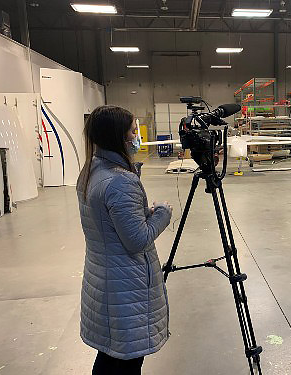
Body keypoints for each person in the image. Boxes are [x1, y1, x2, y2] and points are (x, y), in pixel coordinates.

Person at [76, 105, 173, 374]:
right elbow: (137, 239)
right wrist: (162, 213)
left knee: (111, 359)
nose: (136, 135)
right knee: (125, 363)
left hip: (106, 280)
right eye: (132, 130)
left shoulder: (91, 170)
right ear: (119, 136)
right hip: (125, 287)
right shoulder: (119, 182)